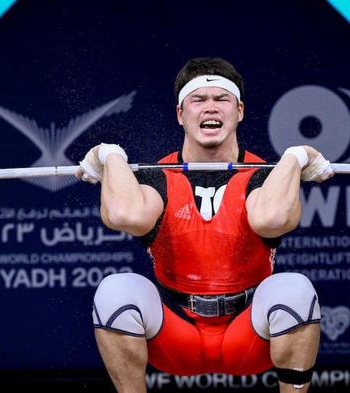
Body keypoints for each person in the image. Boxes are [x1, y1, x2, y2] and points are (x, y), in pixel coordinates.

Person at [76, 57, 334, 393]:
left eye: (221, 99)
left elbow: (271, 219)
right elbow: (125, 215)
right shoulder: (158, 176)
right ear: (181, 114)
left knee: (294, 289)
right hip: (177, 333)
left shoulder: (263, 176)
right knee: (115, 291)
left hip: (248, 334)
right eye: (198, 100)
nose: (209, 108)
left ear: (239, 111)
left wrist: (297, 156)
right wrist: (109, 155)